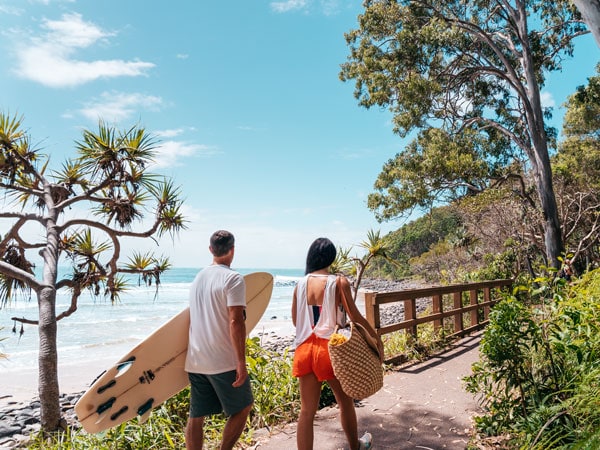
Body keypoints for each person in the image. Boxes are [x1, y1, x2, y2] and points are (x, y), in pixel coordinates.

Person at [291, 237, 384, 450]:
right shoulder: (338, 282)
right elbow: (356, 317)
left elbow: (297, 321)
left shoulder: (300, 283)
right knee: (344, 403)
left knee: (306, 412)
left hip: (304, 351)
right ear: (331, 257)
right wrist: (375, 339)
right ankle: (356, 446)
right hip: (331, 351)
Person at [184, 230, 253, 450]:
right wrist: (240, 362)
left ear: (211, 250)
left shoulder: (198, 278)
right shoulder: (233, 278)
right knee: (243, 407)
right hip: (221, 359)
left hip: (195, 359)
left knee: (197, 415)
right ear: (232, 250)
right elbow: (236, 322)